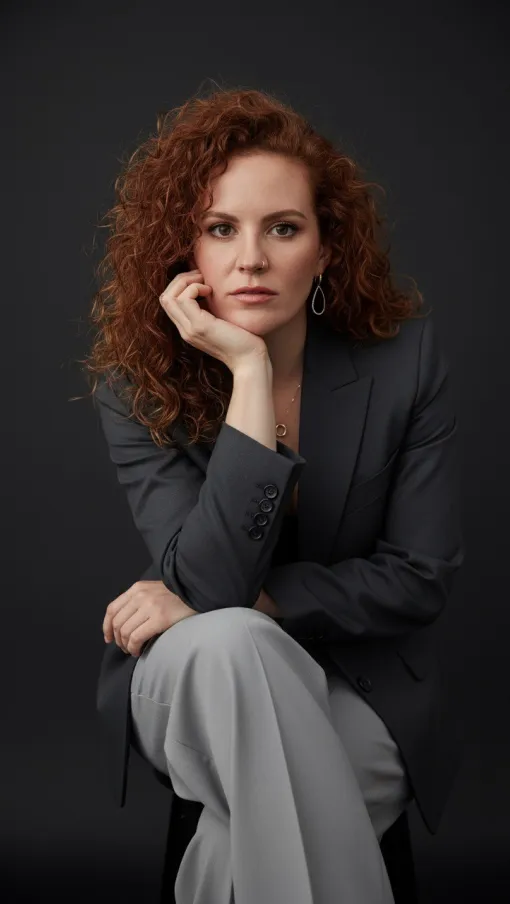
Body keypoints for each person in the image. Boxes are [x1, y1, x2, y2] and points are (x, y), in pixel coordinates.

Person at [82, 87, 465, 904]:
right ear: (185, 248)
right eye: (221, 229)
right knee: (230, 647)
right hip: (192, 675)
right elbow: (210, 599)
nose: (249, 258)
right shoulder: (136, 388)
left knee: (251, 812)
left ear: (326, 250)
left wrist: (261, 601)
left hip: (361, 682)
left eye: (281, 229)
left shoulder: (406, 365)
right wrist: (250, 373)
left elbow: (420, 575)